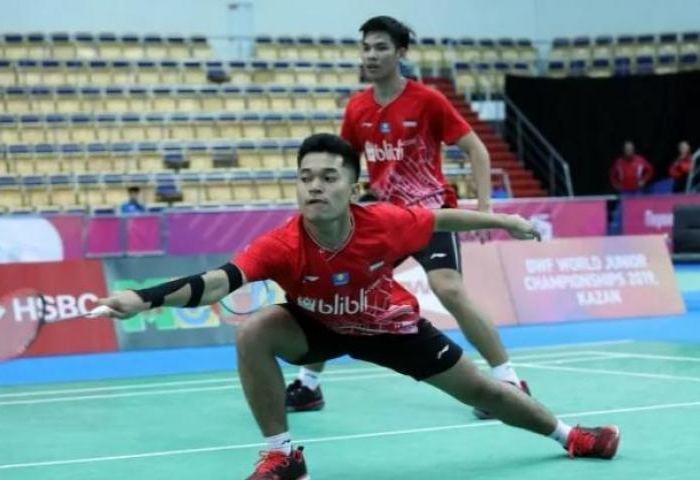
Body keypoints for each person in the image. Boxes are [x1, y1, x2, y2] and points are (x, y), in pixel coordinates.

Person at [97, 134, 621, 480]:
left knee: (484, 390)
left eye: (328, 177)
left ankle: (570, 435)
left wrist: (505, 222)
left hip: (388, 325)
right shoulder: (281, 244)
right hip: (318, 326)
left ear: (351, 184)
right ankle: (283, 453)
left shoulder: (384, 222)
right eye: (305, 177)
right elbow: (219, 282)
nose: (315, 187)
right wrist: (142, 299)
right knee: (254, 331)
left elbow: (442, 220)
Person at [286, 15, 528, 419]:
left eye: (381, 47)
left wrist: (485, 212)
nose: (371, 55)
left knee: (449, 289)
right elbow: (344, 166)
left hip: (432, 214)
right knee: (335, 290)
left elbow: (477, 150)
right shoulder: (358, 108)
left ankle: (509, 381)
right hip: (384, 219)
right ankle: (309, 387)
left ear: (400, 53)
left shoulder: (428, 100)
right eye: (366, 48)